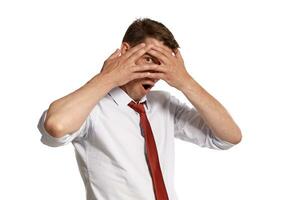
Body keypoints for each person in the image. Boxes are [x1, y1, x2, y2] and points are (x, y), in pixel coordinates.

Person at [37, 18, 242, 200]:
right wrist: (109, 77)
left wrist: (185, 82)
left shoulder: (164, 103)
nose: (154, 71)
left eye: (162, 64)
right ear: (126, 51)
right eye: (149, 59)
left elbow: (229, 136)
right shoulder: (92, 108)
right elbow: (56, 126)